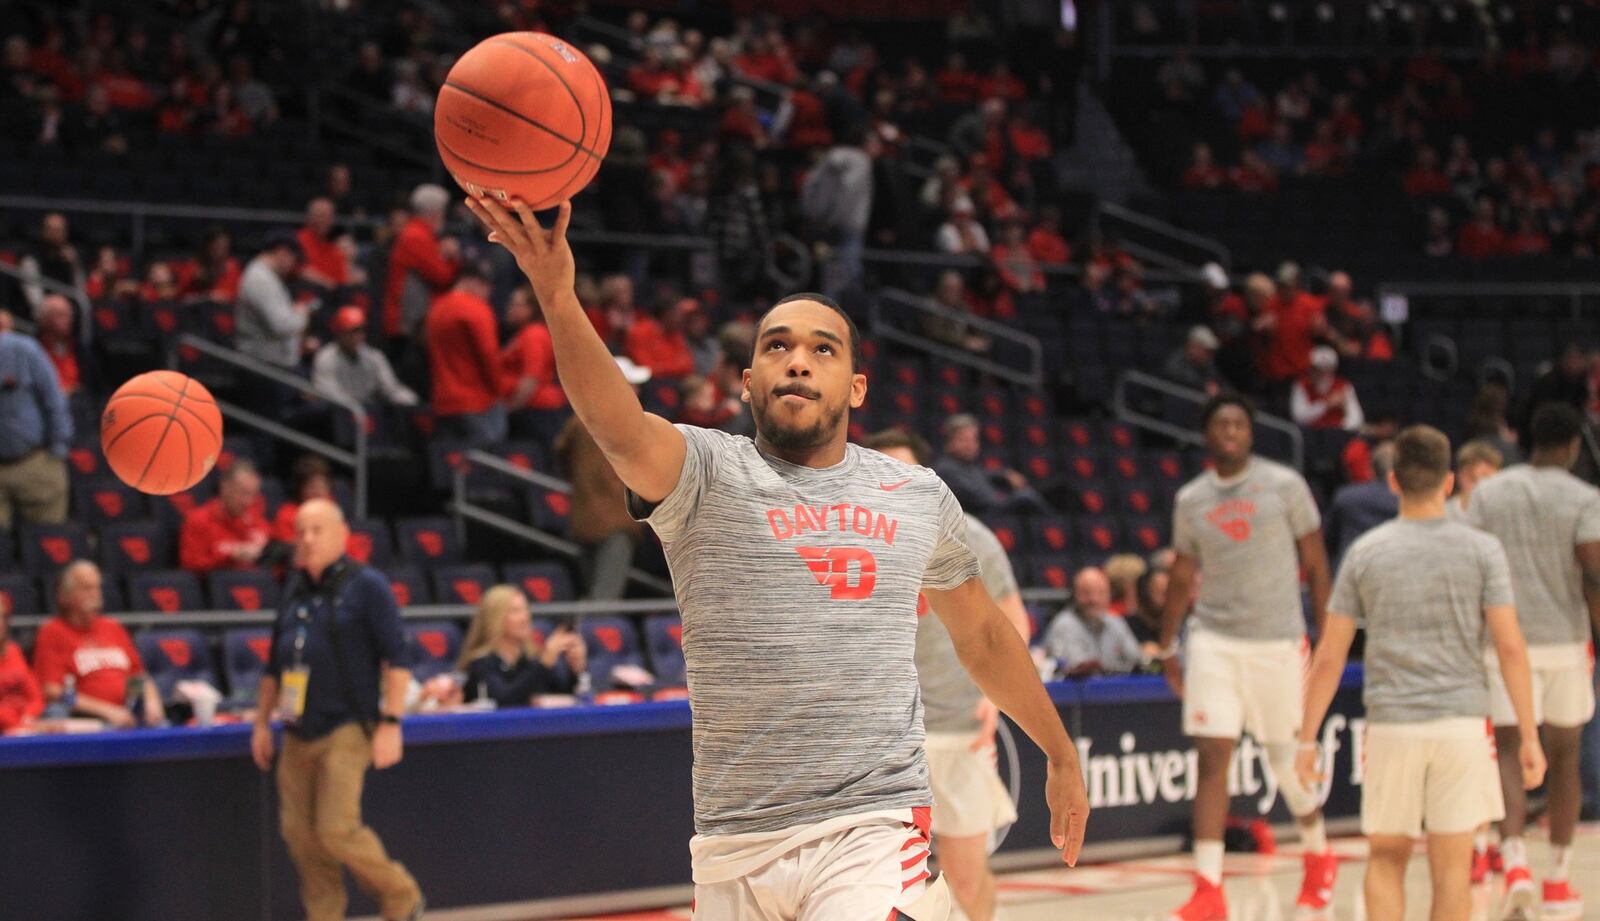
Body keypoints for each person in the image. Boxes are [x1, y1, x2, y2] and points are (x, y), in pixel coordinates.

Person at [467, 194, 1087, 919]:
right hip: (732, 841)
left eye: (823, 348)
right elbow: (615, 423)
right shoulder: (703, 470)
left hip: (874, 826)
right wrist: (556, 293)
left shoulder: (915, 492)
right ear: (748, 380)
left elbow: (981, 633)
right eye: (776, 346)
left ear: (855, 386)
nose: (798, 361)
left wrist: (1061, 752)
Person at [1296, 425, 1546, 921]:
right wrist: (1531, 734)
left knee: (1386, 857)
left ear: (1393, 483)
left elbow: (1330, 654)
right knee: (1451, 867)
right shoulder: (1482, 549)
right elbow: (1511, 647)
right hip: (1461, 727)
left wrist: (1306, 740)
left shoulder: (1367, 551)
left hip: (1393, 726)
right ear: (1449, 482)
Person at [1158, 393, 1336, 921]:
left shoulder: (1285, 485)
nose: (1230, 430)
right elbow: (1182, 575)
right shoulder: (1191, 499)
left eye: (1238, 422)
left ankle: (1319, 853)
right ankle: (1208, 887)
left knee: (1285, 760)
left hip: (1278, 640)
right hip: (1213, 638)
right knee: (1213, 757)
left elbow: (1318, 565)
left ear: (1250, 433)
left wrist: (1327, 638)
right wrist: (1168, 645)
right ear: (1208, 436)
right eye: (1221, 423)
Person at [863, 429, 1029, 921]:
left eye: (904, 471)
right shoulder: (855, 535)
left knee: (965, 875)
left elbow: (1012, 622)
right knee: (872, 883)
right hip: (883, 737)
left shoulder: (971, 536)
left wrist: (996, 698)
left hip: (959, 726)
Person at [250, 499, 425, 921]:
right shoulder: (293, 589)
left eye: (317, 530)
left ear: (342, 534)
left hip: (347, 726)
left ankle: (401, 894)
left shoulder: (367, 586)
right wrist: (260, 724)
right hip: (295, 730)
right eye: (301, 532)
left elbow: (397, 659)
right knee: (300, 837)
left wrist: (392, 723)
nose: (307, 540)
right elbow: (275, 665)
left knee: (335, 830)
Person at [1465, 403, 1600, 918]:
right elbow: (1593, 572)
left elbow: (1471, 556)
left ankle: (1514, 861)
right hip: (1565, 640)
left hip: (1503, 640)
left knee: (1506, 751)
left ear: (1525, 441)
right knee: (1564, 757)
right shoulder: (1584, 497)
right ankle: (1558, 880)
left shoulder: (1491, 492)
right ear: (1571, 447)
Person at [554, 357, 652, 600]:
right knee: (605, 598)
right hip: (619, 520)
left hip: (584, 518)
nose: (637, 391)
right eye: (632, 384)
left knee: (594, 592)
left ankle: (577, 634)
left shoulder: (578, 419)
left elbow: (561, 455)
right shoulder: (631, 421)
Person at [31, 561, 164, 728]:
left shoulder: (113, 627)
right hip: (87, 719)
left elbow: (137, 677)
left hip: (127, 715)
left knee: (167, 729)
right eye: (87, 588)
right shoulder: (52, 632)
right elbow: (52, 691)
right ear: (64, 596)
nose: (96, 594)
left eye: (97, 587)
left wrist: (151, 703)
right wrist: (107, 711)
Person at [0, 312, 71, 528]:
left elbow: (54, 400)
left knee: (48, 542)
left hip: (33, 459)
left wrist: (57, 450)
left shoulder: (22, 349)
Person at [457, 585, 584, 706]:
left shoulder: (530, 660)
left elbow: (561, 698)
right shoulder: (481, 664)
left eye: (525, 609)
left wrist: (573, 671)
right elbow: (504, 700)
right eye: (515, 611)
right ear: (495, 619)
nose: (525, 617)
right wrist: (544, 664)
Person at [425, 268, 507, 446]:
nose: (487, 295)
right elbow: (489, 355)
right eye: (486, 288)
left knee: (451, 466)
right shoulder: (476, 309)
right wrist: (500, 392)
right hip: (477, 402)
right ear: (472, 282)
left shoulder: (436, 308)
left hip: (443, 401)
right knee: (487, 466)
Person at [383, 183, 461, 347]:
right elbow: (442, 276)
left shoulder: (418, 233)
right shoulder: (416, 236)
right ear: (435, 212)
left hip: (412, 319)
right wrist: (451, 256)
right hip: (407, 323)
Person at [933, 413, 1051, 516]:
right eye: (964, 440)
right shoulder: (945, 469)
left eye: (974, 440)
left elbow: (987, 474)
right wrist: (1003, 497)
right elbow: (980, 499)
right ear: (949, 442)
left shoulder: (969, 466)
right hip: (982, 519)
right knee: (1025, 497)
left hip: (995, 509)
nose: (971, 445)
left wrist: (1006, 475)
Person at [310, 307, 419, 409]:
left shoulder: (374, 356)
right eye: (352, 332)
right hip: (340, 413)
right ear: (339, 333)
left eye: (361, 331)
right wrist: (357, 406)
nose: (358, 336)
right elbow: (327, 393)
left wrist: (409, 400)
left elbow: (390, 388)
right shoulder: (325, 357)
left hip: (370, 410)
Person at [1044, 567, 1141, 677]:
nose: (1094, 599)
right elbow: (1079, 669)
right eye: (1086, 593)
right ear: (1075, 595)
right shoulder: (1063, 625)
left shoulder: (1116, 622)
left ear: (1109, 595)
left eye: (1101, 592)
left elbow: (1136, 660)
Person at [500, 286, 567, 443]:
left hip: (535, 411)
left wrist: (511, 408)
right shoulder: (525, 333)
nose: (509, 308)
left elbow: (531, 378)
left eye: (515, 304)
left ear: (532, 308)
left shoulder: (533, 335)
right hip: (532, 409)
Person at [180, 460, 272, 573]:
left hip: (254, 586)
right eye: (243, 493)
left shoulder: (258, 520)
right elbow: (191, 565)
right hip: (214, 587)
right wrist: (231, 555)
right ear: (224, 487)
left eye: (253, 494)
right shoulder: (198, 520)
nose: (248, 501)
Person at [236, 232, 311, 369]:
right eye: (293, 259)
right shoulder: (260, 279)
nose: (293, 266)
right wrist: (302, 314)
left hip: (272, 363)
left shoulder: (269, 277)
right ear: (282, 253)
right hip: (263, 366)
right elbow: (280, 325)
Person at [1324, 441, 1399, 572]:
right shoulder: (1413, 502)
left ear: (1371, 470)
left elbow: (1326, 541)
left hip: (1350, 573)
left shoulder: (1346, 498)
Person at [1290, 346, 1364, 431]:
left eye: (1327, 369)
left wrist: (1340, 429)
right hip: (1310, 433)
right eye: (1319, 369)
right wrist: (1326, 404)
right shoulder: (1301, 385)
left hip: (1337, 433)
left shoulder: (1343, 386)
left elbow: (1356, 418)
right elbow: (1299, 417)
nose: (1323, 374)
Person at [0, 592, 45, 732]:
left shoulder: (14, 651)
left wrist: (28, 717)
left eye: (2, 616)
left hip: (24, 726)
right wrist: (15, 724)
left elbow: (35, 696)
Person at [273, 456, 334, 544]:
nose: (318, 493)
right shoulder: (286, 515)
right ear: (300, 489)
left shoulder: (332, 510)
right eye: (312, 487)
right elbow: (285, 550)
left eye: (322, 487)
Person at [1445, 439, 1503, 521]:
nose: (1479, 486)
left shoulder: (1503, 513)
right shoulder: (1444, 512)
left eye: (1486, 478)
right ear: (1459, 475)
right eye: (1471, 478)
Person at [1163, 326, 1223, 394]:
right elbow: (1175, 374)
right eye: (1206, 350)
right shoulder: (1177, 360)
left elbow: (1218, 380)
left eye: (1210, 352)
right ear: (1193, 346)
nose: (1209, 355)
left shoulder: (1208, 365)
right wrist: (1204, 385)